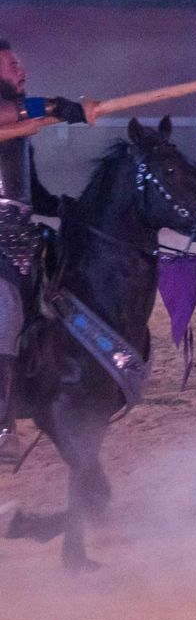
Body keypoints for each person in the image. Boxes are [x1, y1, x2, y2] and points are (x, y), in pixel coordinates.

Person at [0, 41, 98, 464]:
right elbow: (10, 115)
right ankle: (2, 428)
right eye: (9, 63)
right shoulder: (11, 116)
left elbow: (29, 195)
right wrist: (64, 108)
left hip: (23, 235)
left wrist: (62, 207)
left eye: (19, 60)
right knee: (5, 312)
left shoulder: (21, 129)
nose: (20, 68)